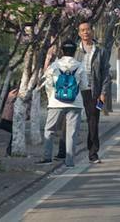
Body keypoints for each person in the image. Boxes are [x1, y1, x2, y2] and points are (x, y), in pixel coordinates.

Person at [38, 39, 89, 167]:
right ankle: (70, 161)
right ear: (74, 52)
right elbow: (84, 86)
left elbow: (48, 83)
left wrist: (51, 98)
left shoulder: (55, 65)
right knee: (71, 133)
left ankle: (47, 157)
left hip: (56, 103)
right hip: (75, 103)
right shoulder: (80, 66)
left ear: (62, 51)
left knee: (49, 130)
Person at [78, 22, 111, 164]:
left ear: (92, 31)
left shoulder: (100, 51)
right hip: (76, 91)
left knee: (93, 121)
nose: (85, 32)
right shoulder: (75, 50)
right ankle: (63, 152)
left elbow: (105, 73)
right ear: (79, 33)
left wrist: (103, 93)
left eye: (88, 29)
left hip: (94, 91)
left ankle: (93, 153)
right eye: (82, 30)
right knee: (69, 122)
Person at [0, 87, 18, 156]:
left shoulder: (12, 93)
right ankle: (9, 151)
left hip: (7, 117)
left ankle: (9, 150)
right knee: (15, 132)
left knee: (14, 133)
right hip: (9, 117)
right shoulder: (16, 94)